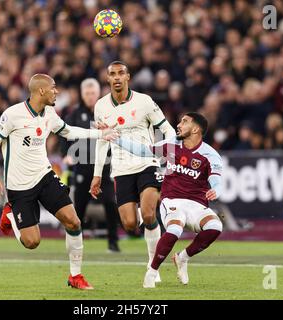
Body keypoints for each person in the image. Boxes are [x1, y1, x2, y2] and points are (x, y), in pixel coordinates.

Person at [0, 74, 119, 290]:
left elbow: (67, 131)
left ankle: (76, 276)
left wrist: (99, 134)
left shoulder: (49, 113)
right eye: (53, 88)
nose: (57, 92)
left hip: (44, 176)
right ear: (41, 91)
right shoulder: (12, 115)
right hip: (19, 186)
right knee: (32, 242)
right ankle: (10, 211)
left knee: (74, 221)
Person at [90, 61, 176, 284]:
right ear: (107, 79)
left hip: (147, 163)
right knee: (129, 224)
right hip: (120, 169)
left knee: (149, 214)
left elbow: (166, 128)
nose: (117, 77)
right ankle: (140, 223)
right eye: (112, 74)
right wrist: (97, 174)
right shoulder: (100, 106)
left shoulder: (144, 101)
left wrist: (169, 152)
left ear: (128, 77)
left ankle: (153, 267)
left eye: (121, 73)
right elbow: (101, 141)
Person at [114, 112, 223, 288]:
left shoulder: (210, 155)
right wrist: (116, 139)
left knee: (216, 226)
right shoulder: (172, 144)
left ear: (196, 129)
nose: (179, 124)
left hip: (196, 204)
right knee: (174, 228)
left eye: (184, 122)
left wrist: (216, 190)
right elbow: (143, 150)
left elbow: (217, 181)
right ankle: (152, 271)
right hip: (172, 201)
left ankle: (182, 258)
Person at [60, 78, 121, 253]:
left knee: (110, 203)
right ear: (82, 94)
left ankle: (113, 242)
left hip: (104, 166)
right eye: (87, 93)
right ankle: (73, 243)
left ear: (98, 93)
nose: (90, 96)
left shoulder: (108, 113)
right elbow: (63, 133)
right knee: (78, 207)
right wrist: (65, 155)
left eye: (92, 93)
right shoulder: (74, 114)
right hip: (83, 166)